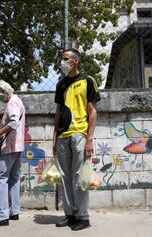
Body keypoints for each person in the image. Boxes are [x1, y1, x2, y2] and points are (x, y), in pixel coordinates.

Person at [53, 48, 100, 231]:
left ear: (75, 61)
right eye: (62, 59)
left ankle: (83, 216)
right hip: (63, 135)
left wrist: (89, 139)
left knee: (80, 177)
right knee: (65, 177)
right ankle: (70, 214)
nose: (62, 62)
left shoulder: (88, 81)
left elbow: (93, 111)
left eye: (65, 59)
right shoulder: (61, 84)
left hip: (80, 134)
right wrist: (54, 137)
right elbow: (58, 112)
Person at [0, 80, 25, 227]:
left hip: (9, 147)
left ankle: (2, 216)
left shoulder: (13, 102)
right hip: (17, 146)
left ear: (3, 89)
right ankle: (14, 211)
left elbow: (13, 123)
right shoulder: (17, 101)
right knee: (13, 178)